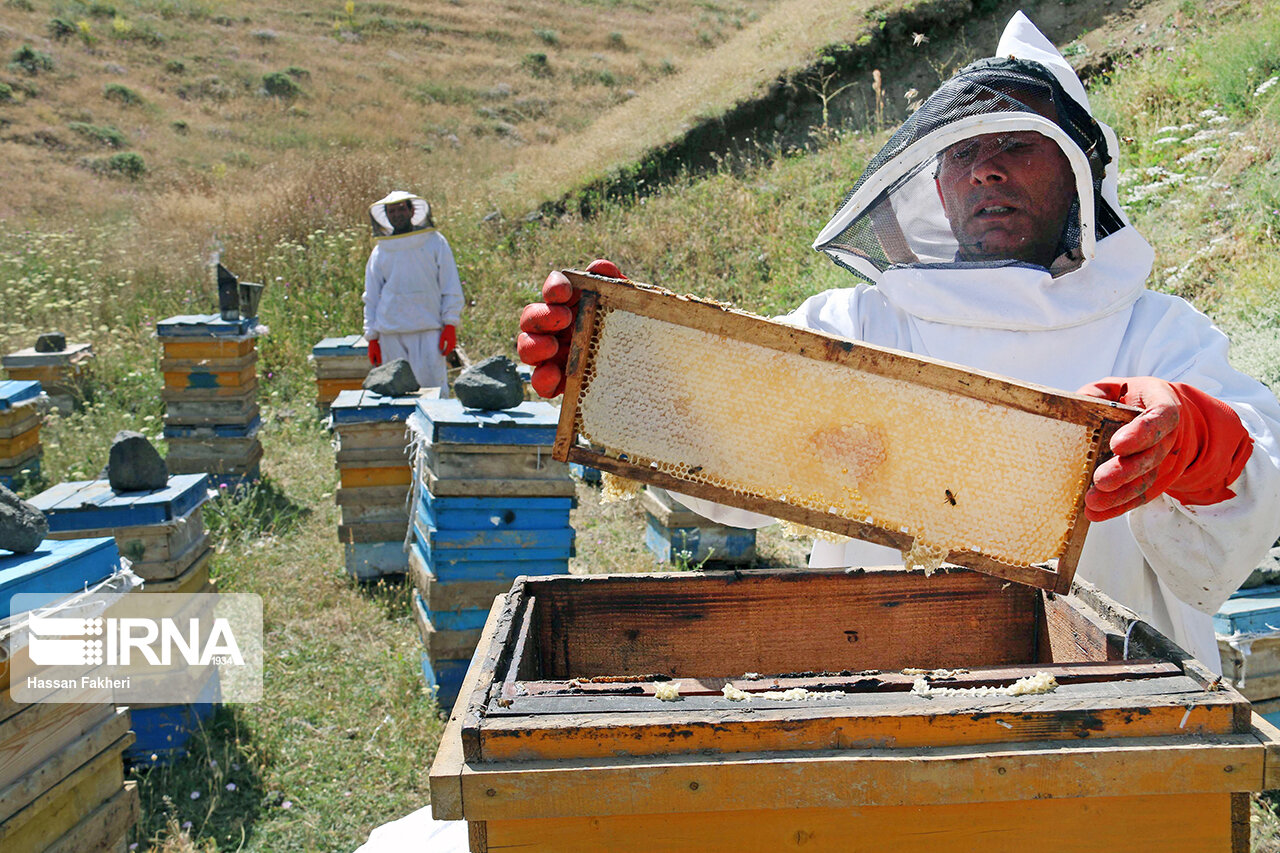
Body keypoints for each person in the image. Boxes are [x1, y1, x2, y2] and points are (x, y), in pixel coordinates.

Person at [516, 13, 1280, 672]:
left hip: (1111, 726)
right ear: (935, 190)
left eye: (1017, 142)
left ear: (1080, 172)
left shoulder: (1155, 332)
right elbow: (715, 459)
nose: (985, 167)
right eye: (960, 153)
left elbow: (1262, 484)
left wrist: (1198, 442)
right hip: (888, 702)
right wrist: (625, 374)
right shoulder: (856, 327)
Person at [363, 190, 464, 395]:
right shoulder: (380, 251)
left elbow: (450, 285)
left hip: (428, 331)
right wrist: (372, 337)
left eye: (401, 208)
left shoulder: (435, 241)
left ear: (411, 210)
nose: (397, 214)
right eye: (392, 211)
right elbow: (371, 297)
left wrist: (450, 324)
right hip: (391, 333)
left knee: (433, 392)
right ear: (386, 216)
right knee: (396, 395)